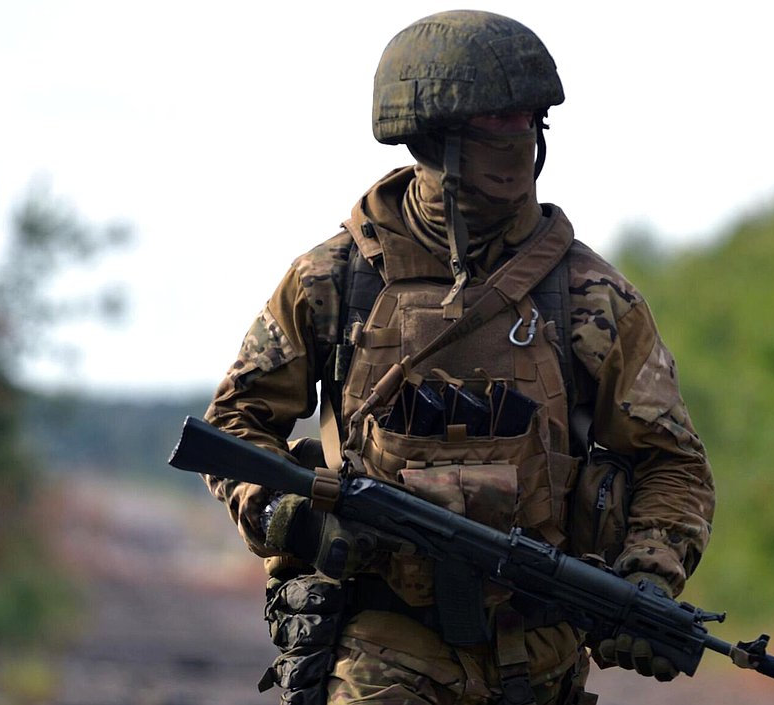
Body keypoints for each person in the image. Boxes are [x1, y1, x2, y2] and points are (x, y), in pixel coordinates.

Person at [202, 10, 714, 705]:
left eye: (529, 120)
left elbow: (672, 461)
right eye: (495, 122)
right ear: (432, 136)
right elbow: (234, 425)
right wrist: (289, 516)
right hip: (379, 648)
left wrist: (648, 576)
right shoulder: (333, 281)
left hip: (542, 657)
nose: (518, 138)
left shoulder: (590, 296)